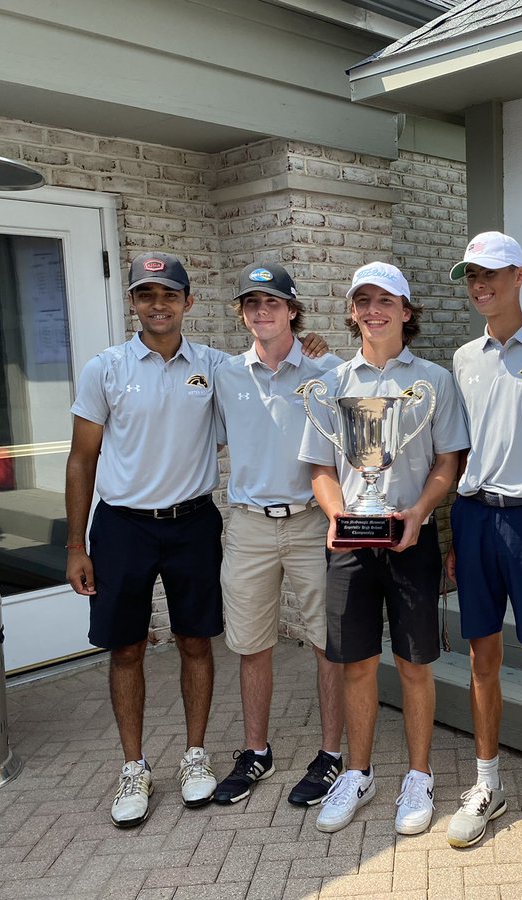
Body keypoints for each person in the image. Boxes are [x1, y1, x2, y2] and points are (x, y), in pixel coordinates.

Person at [301, 261, 469, 836]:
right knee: (356, 665)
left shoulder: (434, 381)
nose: (373, 310)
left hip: (411, 538)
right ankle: (359, 771)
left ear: (406, 311)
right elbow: (321, 469)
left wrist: (420, 512)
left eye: (385, 301)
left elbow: (449, 461)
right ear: (352, 311)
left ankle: (418, 775)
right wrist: (338, 514)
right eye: (363, 301)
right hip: (352, 543)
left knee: (416, 664)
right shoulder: (330, 383)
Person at [65, 252, 227, 827]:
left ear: (188, 302)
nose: (158, 305)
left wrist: (310, 352)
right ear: (132, 301)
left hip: (192, 523)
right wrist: (76, 546)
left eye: (169, 294)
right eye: (146, 294)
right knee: (127, 647)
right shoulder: (105, 368)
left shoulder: (214, 366)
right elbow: (82, 460)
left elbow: (268, 394)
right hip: (123, 527)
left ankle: (195, 755)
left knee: (196, 642)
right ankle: (133, 765)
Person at [444, 232, 522, 851]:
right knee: (481, 656)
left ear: (521, 276)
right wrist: (453, 529)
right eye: (471, 276)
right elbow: (460, 449)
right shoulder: (463, 358)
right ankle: (487, 781)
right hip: (474, 517)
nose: (480, 285)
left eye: (491, 274)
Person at [211, 262, 347, 806]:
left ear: (293, 310)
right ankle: (256, 752)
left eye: (273, 303)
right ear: (242, 315)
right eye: (251, 304)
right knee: (250, 643)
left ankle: (332, 754)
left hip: (312, 521)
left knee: (326, 642)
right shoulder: (225, 373)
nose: (261, 312)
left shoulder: (327, 368)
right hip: (247, 525)